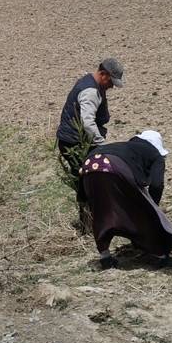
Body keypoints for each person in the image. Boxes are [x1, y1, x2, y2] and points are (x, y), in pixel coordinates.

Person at [81, 130, 172, 272]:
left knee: (101, 211)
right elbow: (157, 185)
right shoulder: (154, 155)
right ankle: (160, 254)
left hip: (89, 164)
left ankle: (105, 258)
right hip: (115, 166)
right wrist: (153, 208)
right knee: (140, 211)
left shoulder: (125, 147)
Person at [56, 58, 125, 229]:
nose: (111, 86)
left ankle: (91, 221)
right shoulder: (90, 91)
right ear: (103, 74)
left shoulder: (92, 84)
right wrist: (102, 146)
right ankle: (88, 224)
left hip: (78, 141)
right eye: (111, 82)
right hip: (76, 144)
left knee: (88, 181)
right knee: (87, 182)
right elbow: (87, 123)